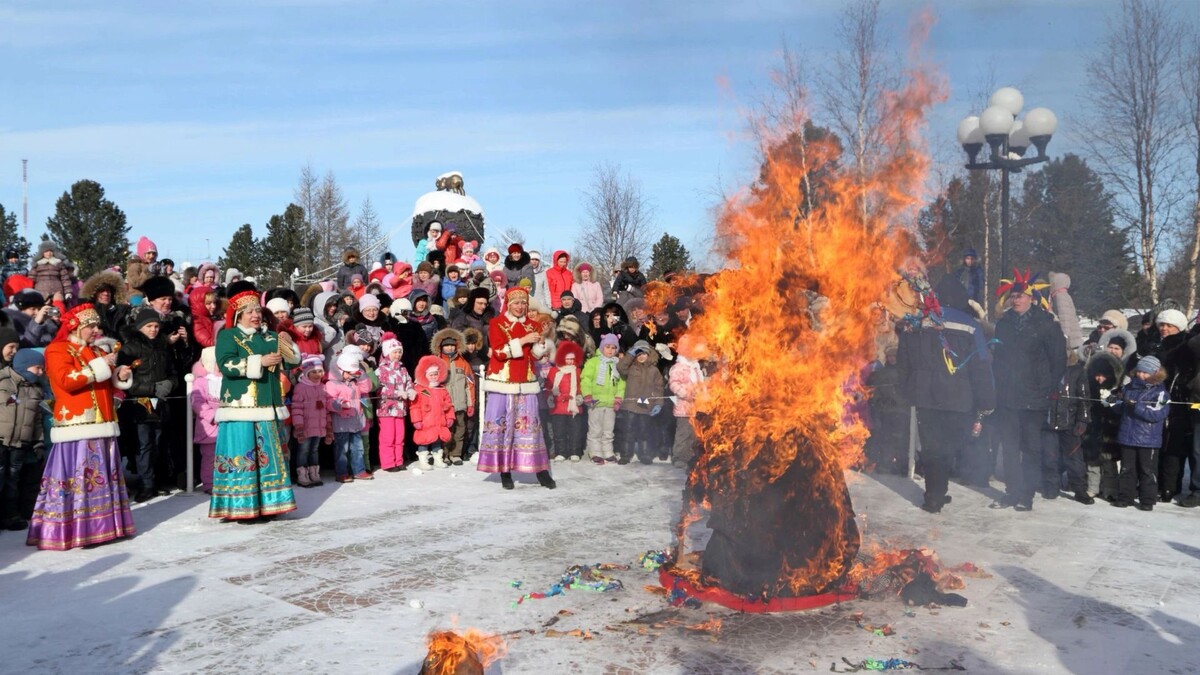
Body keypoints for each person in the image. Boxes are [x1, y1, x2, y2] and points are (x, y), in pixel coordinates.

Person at [27, 303, 136, 550]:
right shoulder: (56, 349)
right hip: (77, 423)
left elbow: (107, 383)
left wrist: (119, 373)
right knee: (79, 476)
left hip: (103, 422)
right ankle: (77, 528)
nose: (97, 330)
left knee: (101, 474)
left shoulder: (97, 350)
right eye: (92, 326)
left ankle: (104, 526)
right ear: (77, 326)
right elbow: (65, 381)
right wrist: (101, 367)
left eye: (97, 326)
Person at [209, 288, 298, 521]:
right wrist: (259, 361)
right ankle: (240, 506)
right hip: (241, 407)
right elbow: (226, 364)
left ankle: (270, 505)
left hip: (269, 405)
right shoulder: (228, 336)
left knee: (270, 457)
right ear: (239, 315)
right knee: (242, 454)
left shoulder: (270, 337)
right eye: (249, 312)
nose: (255, 315)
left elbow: (292, 362)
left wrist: (288, 343)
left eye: (257, 310)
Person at [990, 274, 1065, 512]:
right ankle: (1012, 492)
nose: (1015, 300)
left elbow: (1058, 361)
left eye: (1019, 296)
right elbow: (997, 359)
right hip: (1008, 397)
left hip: (1034, 398)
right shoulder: (1004, 324)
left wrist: (1048, 388)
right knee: (1009, 447)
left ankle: (1027, 494)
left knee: (1031, 448)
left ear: (1031, 298)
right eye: (1012, 296)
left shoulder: (1047, 324)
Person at [477, 286, 556, 490]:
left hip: (526, 381)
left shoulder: (533, 325)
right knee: (502, 426)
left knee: (530, 426)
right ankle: (505, 471)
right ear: (509, 304)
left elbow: (535, 356)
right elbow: (500, 353)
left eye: (523, 303)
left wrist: (542, 341)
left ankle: (540, 470)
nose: (520, 307)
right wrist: (523, 340)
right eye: (516, 303)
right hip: (502, 381)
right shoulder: (497, 323)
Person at [117, 307, 176, 503]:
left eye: (156, 326)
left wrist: (169, 384)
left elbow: (172, 372)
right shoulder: (129, 348)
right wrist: (152, 388)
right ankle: (145, 484)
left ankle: (156, 481)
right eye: (149, 326)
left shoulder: (162, 347)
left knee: (159, 442)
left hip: (161, 402)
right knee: (144, 445)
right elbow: (126, 381)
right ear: (140, 327)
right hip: (140, 404)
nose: (153, 330)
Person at [1110, 356, 1169, 511]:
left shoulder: (1161, 393)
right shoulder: (1128, 388)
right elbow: (1117, 408)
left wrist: (1136, 406)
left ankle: (1147, 499)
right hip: (1127, 436)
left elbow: (1158, 413)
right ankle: (1125, 497)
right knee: (1126, 468)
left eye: (1145, 373)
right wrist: (1111, 400)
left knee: (1147, 470)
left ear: (1154, 373)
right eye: (1139, 372)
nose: (1141, 375)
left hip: (1148, 439)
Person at [0, 344, 44, 532]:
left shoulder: (35, 391)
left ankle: (11, 515)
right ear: (25, 366)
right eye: (37, 368)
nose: (40, 373)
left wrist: (38, 442)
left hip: (20, 444)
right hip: (1, 441)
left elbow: (37, 421)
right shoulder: (3, 382)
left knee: (13, 480)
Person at [327, 348, 373, 482]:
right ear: (340, 370)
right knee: (342, 449)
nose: (350, 376)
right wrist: (339, 404)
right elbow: (328, 401)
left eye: (353, 373)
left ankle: (359, 470)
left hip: (356, 421)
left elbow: (367, 388)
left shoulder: (355, 382)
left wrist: (361, 374)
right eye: (348, 373)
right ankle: (341, 472)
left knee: (358, 448)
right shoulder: (332, 384)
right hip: (341, 423)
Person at [617, 340, 666, 465]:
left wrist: (658, 404)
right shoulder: (631, 368)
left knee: (644, 431)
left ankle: (644, 454)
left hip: (646, 406)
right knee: (628, 431)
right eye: (638, 354)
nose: (641, 357)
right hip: (630, 406)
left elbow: (659, 388)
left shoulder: (654, 370)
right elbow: (620, 367)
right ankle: (625, 455)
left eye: (644, 354)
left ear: (649, 355)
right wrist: (630, 355)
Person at [435, 328, 476, 466]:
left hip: (460, 403)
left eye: (452, 345)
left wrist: (471, 404)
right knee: (446, 430)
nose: (449, 347)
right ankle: (445, 454)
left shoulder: (463, 363)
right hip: (444, 405)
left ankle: (456, 454)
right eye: (446, 345)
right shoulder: (437, 362)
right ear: (441, 347)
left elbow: (469, 385)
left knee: (460, 429)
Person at [289, 355, 332, 487]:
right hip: (306, 427)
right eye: (313, 372)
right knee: (304, 450)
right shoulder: (301, 388)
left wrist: (328, 425)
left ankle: (314, 473)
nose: (317, 375)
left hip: (319, 427)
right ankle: (302, 474)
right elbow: (296, 408)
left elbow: (326, 409)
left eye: (320, 371)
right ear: (306, 373)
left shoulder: (322, 387)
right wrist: (299, 426)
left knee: (314, 450)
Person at [376, 334, 415, 472]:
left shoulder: (403, 369)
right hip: (386, 409)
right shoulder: (381, 369)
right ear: (387, 352)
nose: (397, 355)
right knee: (388, 436)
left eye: (399, 352)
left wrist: (411, 391)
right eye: (394, 352)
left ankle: (398, 460)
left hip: (400, 409)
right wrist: (397, 393)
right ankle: (388, 463)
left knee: (399, 436)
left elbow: (409, 382)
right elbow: (379, 389)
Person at [411, 355, 456, 471]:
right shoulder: (420, 389)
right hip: (425, 422)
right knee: (424, 441)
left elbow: (448, 404)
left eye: (436, 374)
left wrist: (450, 416)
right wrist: (416, 419)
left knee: (437, 441)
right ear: (426, 376)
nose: (434, 377)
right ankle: (423, 460)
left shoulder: (442, 389)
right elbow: (414, 406)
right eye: (431, 375)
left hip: (439, 422)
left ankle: (438, 459)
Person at [546, 341, 585, 462]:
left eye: (572, 359)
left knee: (575, 431)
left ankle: (575, 451)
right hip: (558, 405)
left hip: (573, 405)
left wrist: (580, 395)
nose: (569, 362)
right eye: (567, 359)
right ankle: (561, 452)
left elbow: (580, 385)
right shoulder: (554, 371)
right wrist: (550, 394)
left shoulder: (577, 371)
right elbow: (548, 385)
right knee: (559, 431)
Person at [189, 347, 221, 494]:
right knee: (209, 458)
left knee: (225, 455)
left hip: (226, 424)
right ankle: (209, 483)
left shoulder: (227, 380)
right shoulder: (202, 382)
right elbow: (197, 403)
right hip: (209, 427)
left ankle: (224, 479)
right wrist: (212, 415)